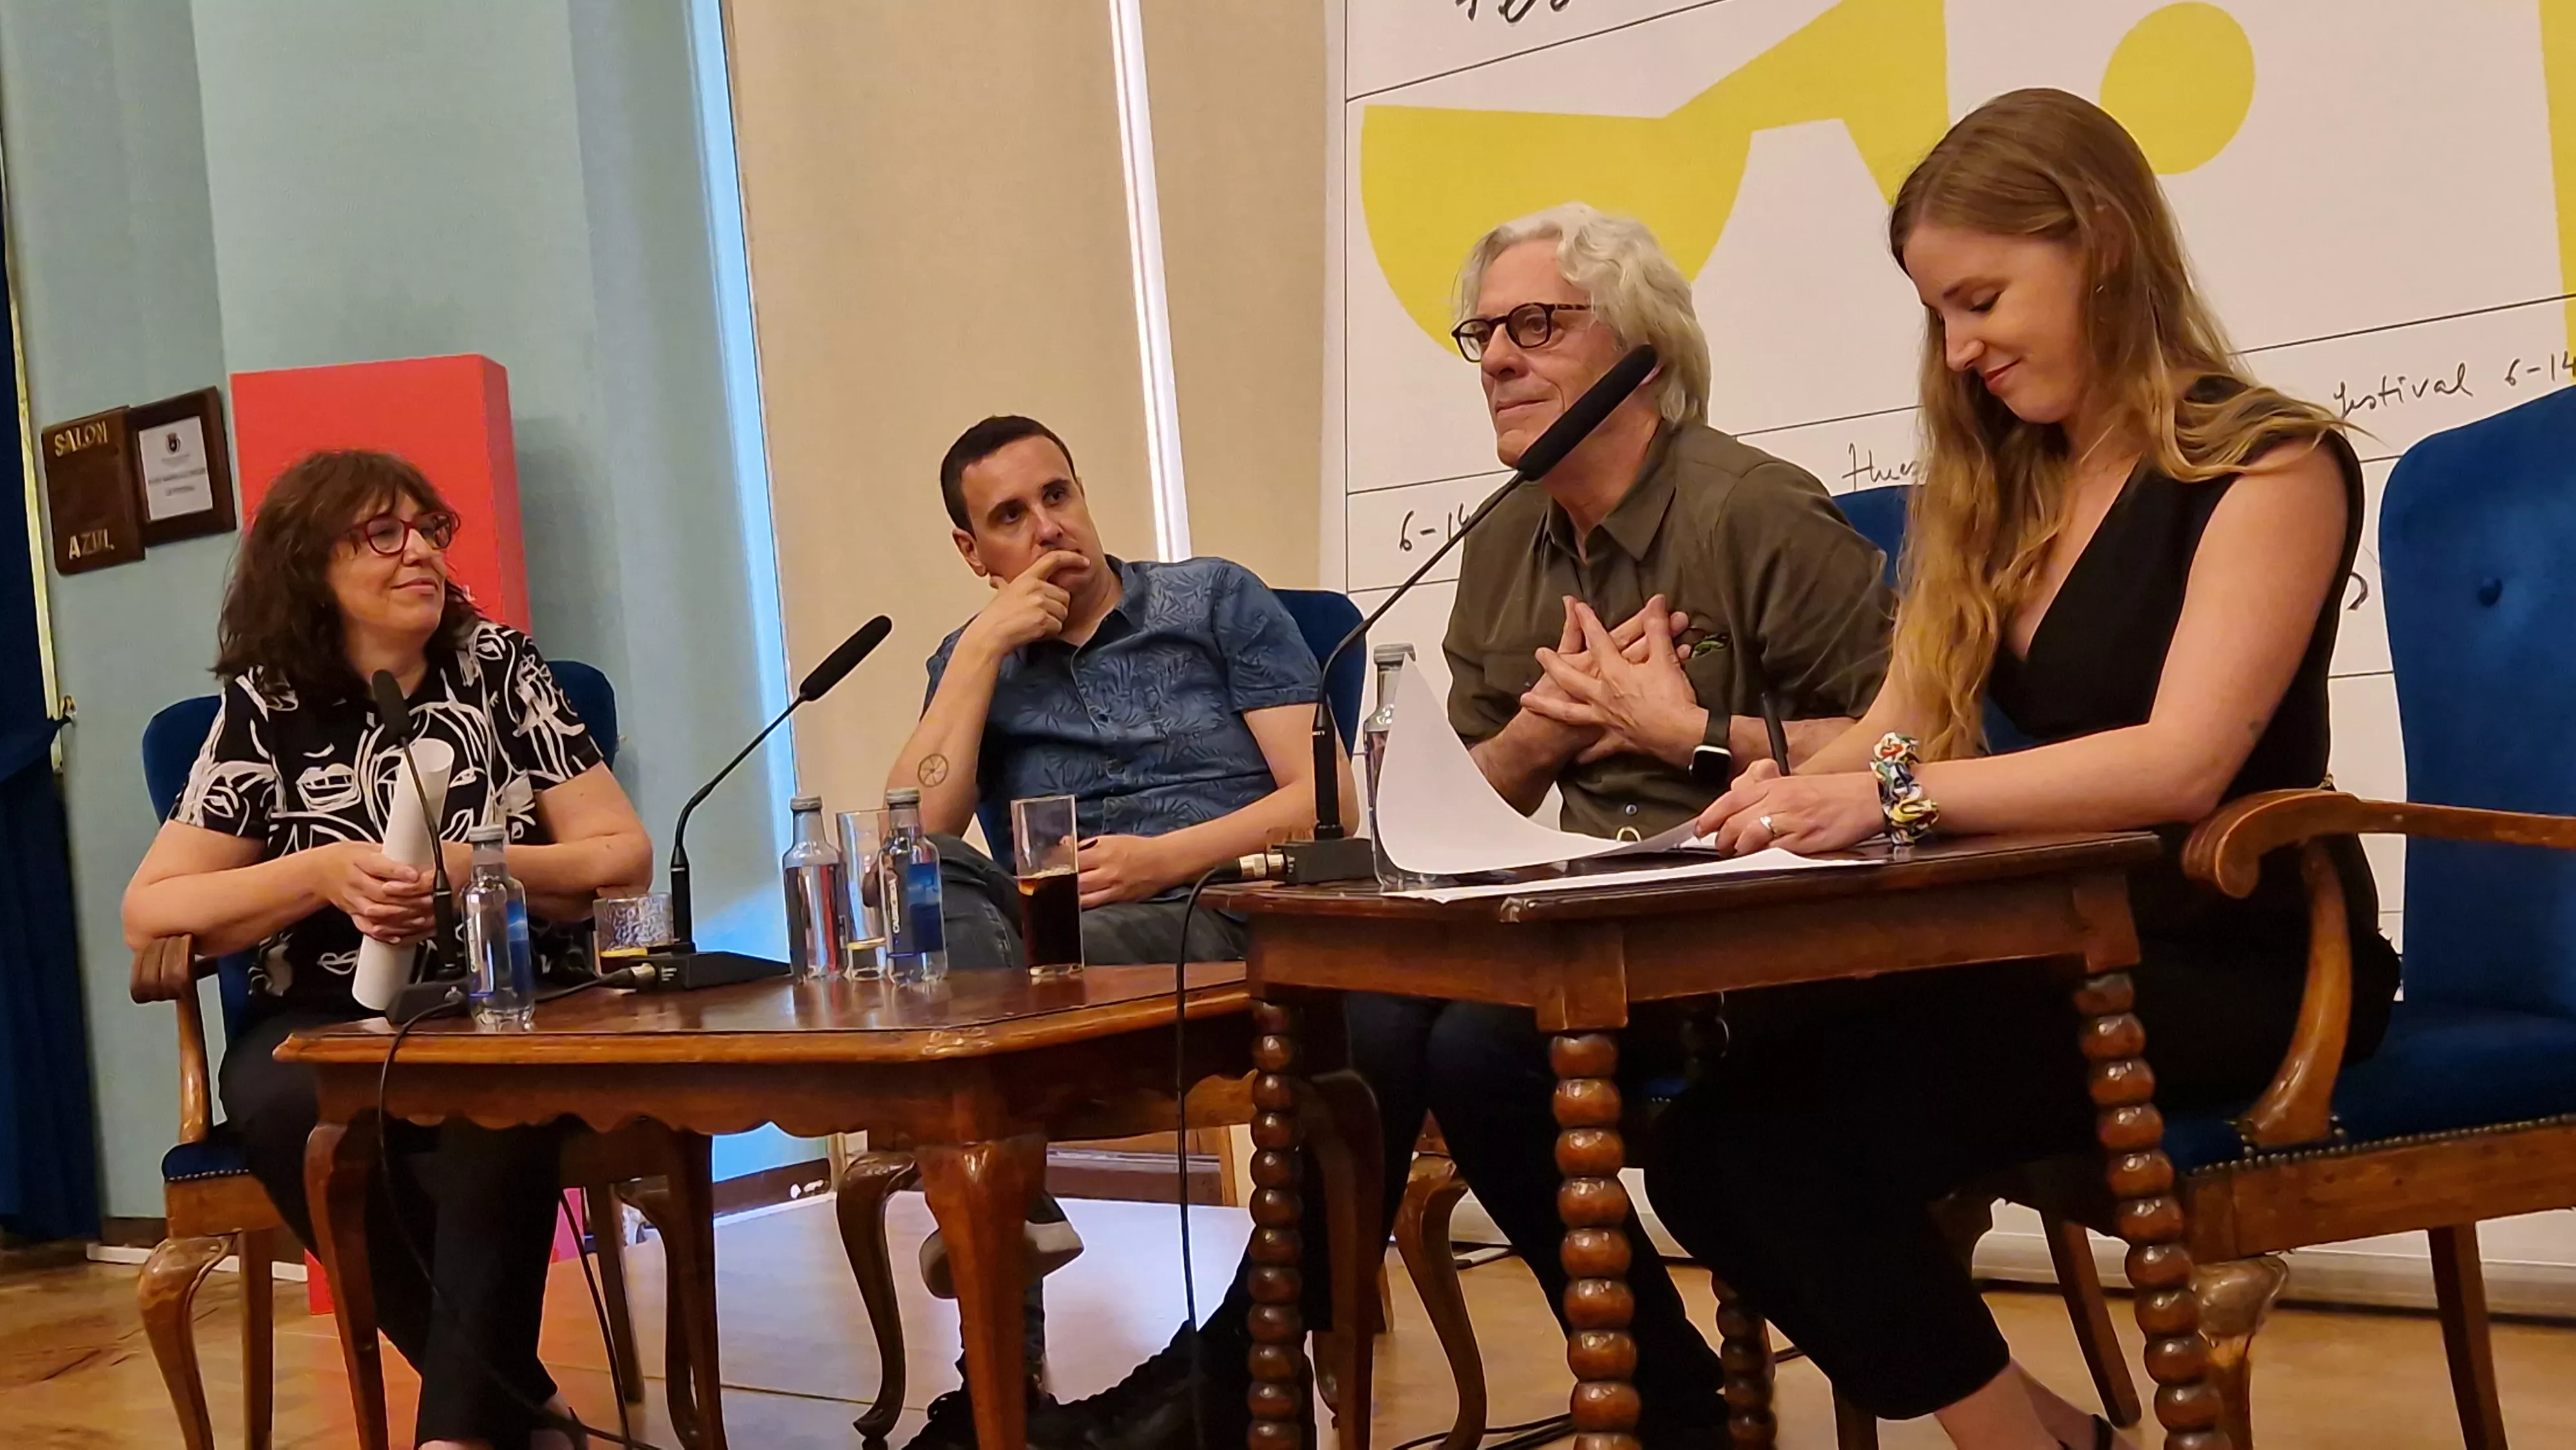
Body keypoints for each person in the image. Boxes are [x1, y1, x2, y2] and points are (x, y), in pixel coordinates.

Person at [1642, 89, 2401, 1450]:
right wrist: (1751, 804)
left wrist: (1885, 798)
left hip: (2238, 960)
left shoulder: (2270, 463)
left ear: (2100, 241)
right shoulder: (2004, 488)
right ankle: (2046, 1433)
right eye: (1938, 314)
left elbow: (2180, 764)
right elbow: (1899, 727)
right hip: (2066, 947)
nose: (1960, 347)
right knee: (1708, 1143)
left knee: (1781, 1140)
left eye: (1981, 299)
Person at [1072, 205, 1897, 1450]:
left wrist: (1687, 731)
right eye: (1484, 334)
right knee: (1373, 1015)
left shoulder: (1755, 510)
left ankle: (1642, 1403)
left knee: (1476, 1053)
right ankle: (1246, 1370)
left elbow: (1911, 742)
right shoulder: (1505, 535)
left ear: (1642, 357)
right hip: (1587, 917)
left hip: (1762, 921)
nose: (1498, 359)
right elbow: (1466, 798)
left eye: (1537, 326)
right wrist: (1548, 733)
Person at [123, 450, 653, 1450]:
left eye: (428, 528)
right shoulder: (269, 705)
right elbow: (151, 911)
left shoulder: (499, 668)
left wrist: (473, 863)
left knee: (493, 1104)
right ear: (310, 565)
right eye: (382, 533)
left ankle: (459, 1435)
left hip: (503, 997)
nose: (420, 552)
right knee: (288, 1108)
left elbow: (620, 855)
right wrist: (321, 873)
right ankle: (521, 1412)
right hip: (322, 1013)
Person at [884, 414, 1356, 1449]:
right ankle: (1014, 1289)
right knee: (934, 876)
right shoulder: (971, 660)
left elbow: (1325, 801)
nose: (1050, 528)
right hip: (1049, 949)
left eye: (1058, 496)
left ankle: (994, 1340)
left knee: (992, 983)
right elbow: (911, 834)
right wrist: (980, 651)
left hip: (1213, 917)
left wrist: (1165, 858)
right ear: (972, 551)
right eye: (1011, 517)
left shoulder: (1212, 599)